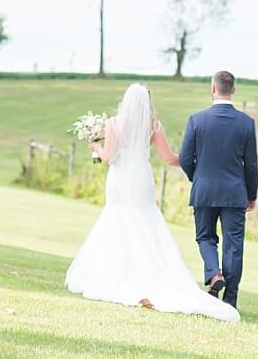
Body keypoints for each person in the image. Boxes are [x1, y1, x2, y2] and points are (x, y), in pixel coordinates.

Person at [64, 82, 238, 322]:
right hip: (141, 178)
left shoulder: (113, 124)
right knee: (146, 220)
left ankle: (115, 274)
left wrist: (95, 146)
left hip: (121, 177)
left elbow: (108, 158)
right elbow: (169, 158)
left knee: (116, 219)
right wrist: (197, 160)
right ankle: (149, 271)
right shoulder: (153, 126)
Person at [178, 70, 258, 311]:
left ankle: (214, 274)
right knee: (234, 246)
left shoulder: (196, 120)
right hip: (235, 193)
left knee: (205, 237)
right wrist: (251, 194)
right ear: (233, 90)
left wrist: (198, 177)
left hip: (204, 190)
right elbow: (251, 164)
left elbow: (184, 158)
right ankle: (230, 302)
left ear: (213, 89)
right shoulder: (247, 123)